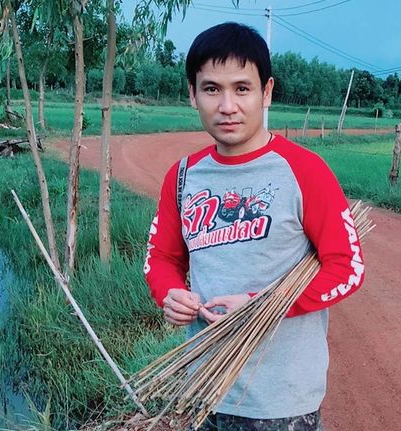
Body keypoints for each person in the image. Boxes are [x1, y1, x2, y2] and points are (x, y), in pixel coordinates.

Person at [143, 22, 365, 431]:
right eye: (212, 89)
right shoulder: (183, 176)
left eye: (242, 88)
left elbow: (347, 267)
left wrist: (263, 304)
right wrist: (169, 292)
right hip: (204, 389)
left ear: (266, 92)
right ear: (192, 94)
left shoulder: (303, 171)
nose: (227, 105)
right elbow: (161, 258)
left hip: (282, 401)